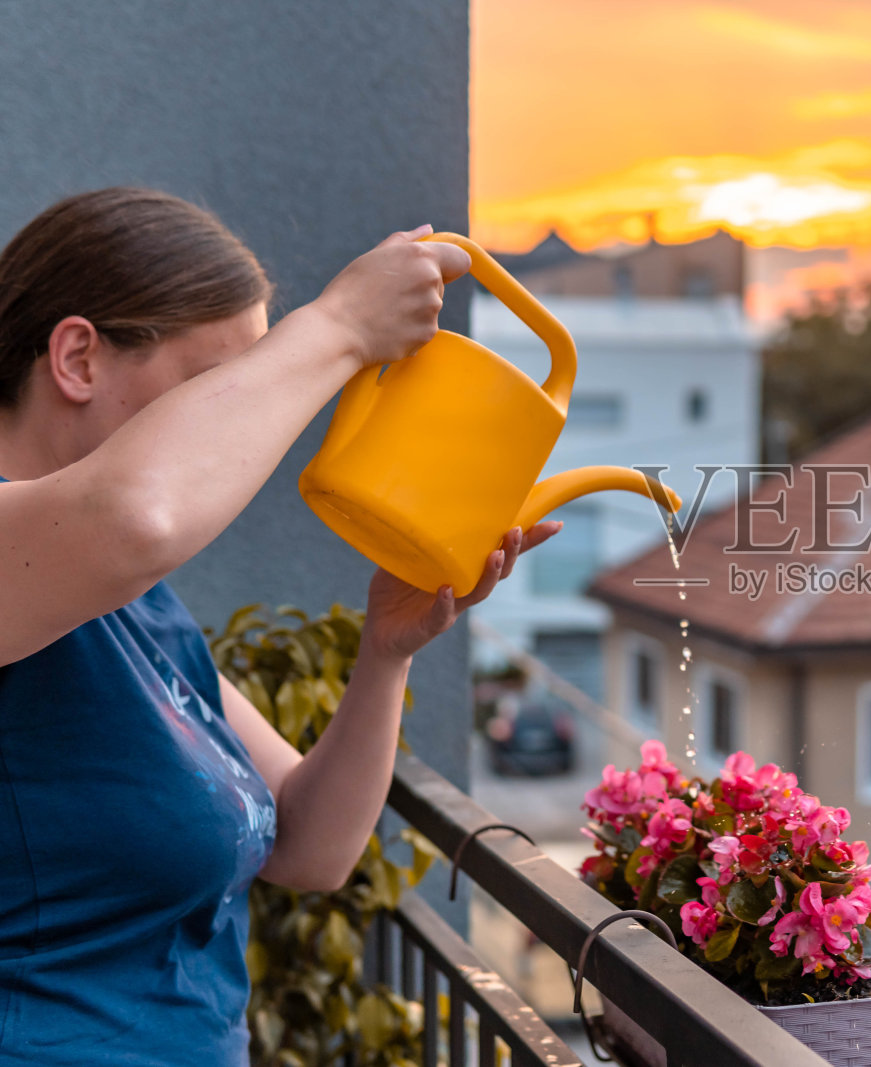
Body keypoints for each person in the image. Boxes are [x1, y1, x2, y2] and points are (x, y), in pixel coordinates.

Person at [0, 188, 559, 1065]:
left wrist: (386, 652)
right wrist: (337, 325)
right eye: (215, 386)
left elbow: (309, 845)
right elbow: (139, 513)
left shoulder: (136, 605)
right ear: (77, 358)